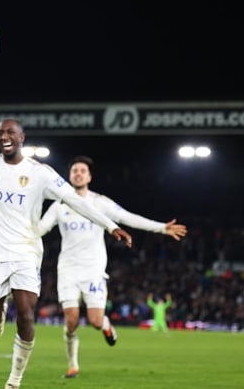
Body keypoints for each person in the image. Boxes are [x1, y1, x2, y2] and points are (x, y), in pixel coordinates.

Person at [0, 119, 132, 389]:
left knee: (26, 313)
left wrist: (111, 225)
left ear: (22, 137)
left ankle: (14, 380)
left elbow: (75, 200)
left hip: (25, 253)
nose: (5, 136)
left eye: (10, 132)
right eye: (0, 133)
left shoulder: (40, 173)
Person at [38, 156, 187, 379]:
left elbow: (127, 217)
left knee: (96, 321)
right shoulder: (59, 204)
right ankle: (73, 365)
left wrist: (161, 228)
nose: (78, 174)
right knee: (71, 320)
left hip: (93, 269)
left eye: (82, 171)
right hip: (67, 269)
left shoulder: (100, 202)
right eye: (74, 170)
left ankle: (106, 325)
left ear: (89, 176)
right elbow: (41, 228)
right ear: (69, 175)